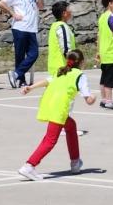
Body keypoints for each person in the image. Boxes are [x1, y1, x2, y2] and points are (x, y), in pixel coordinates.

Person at [18, 49, 96, 181]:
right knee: (50, 140)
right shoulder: (80, 76)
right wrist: (93, 97)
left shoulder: (61, 71)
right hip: (59, 109)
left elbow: (47, 81)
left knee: (71, 126)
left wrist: (31, 87)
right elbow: (88, 100)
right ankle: (29, 166)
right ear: (82, 62)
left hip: (51, 104)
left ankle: (75, 162)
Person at [0, 0, 44, 89]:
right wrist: (13, 14)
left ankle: (16, 74)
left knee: (34, 54)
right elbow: (2, 3)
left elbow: (41, 7)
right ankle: (21, 80)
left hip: (32, 28)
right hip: (20, 27)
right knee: (20, 55)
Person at [47, 1, 76, 78]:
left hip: (55, 66)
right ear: (64, 13)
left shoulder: (54, 26)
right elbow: (66, 48)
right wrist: (72, 63)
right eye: (69, 10)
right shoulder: (62, 27)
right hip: (62, 67)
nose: (71, 11)